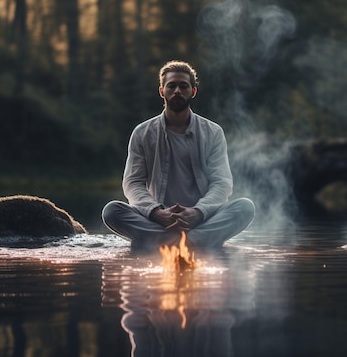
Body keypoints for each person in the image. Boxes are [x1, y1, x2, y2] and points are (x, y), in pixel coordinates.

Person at [102, 60, 254, 249]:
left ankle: (169, 242)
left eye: (183, 86)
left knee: (245, 207)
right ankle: (192, 242)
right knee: (111, 211)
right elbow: (132, 183)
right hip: (157, 222)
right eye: (171, 86)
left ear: (193, 91)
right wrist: (158, 213)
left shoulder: (213, 132)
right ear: (161, 91)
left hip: (201, 221)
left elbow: (221, 183)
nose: (177, 91)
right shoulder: (142, 133)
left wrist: (197, 212)